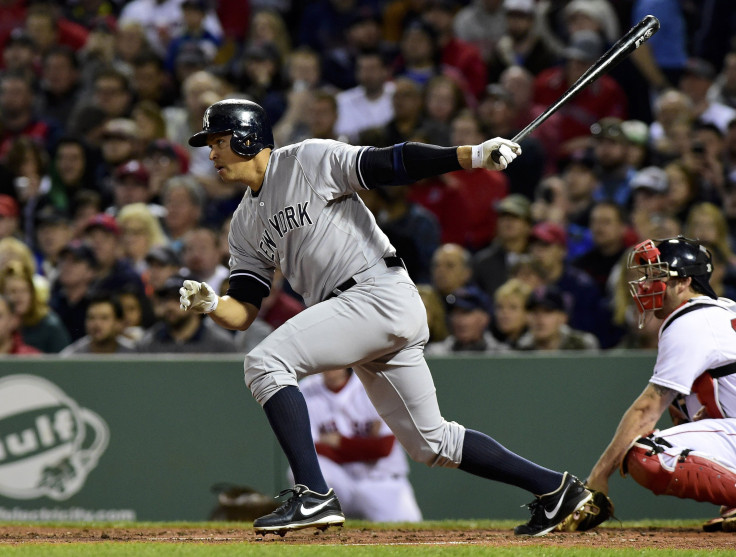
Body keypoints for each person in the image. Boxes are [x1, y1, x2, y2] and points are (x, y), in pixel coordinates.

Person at [180, 97, 592, 536]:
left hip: (375, 292)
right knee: (431, 443)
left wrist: (471, 155)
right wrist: (211, 304)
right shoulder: (244, 222)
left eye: (219, 141)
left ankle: (313, 494)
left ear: (247, 139)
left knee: (265, 363)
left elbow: (392, 162)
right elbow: (243, 310)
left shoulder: (307, 159)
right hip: (362, 313)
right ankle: (557, 490)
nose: (211, 153)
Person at [585, 236, 736, 532]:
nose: (645, 285)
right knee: (683, 415)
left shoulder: (692, 319)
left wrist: (598, 477)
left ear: (684, 282)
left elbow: (646, 411)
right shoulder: (721, 310)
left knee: (647, 451)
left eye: (657, 276)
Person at [297, 367, 422, 522]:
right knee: (305, 468)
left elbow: (383, 448)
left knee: (407, 536)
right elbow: (309, 448)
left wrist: (340, 443)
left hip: (381, 481)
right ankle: (320, 528)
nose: (330, 365)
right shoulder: (306, 389)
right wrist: (364, 446)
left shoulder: (373, 384)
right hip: (342, 483)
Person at [425, 285, 508, 354]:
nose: (460, 320)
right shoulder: (435, 354)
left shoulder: (501, 354)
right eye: (455, 313)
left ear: (484, 318)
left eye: (466, 313)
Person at [60, 294, 137, 355]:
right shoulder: (71, 357)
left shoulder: (133, 355)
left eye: (104, 318)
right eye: (91, 318)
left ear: (118, 322)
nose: (97, 324)